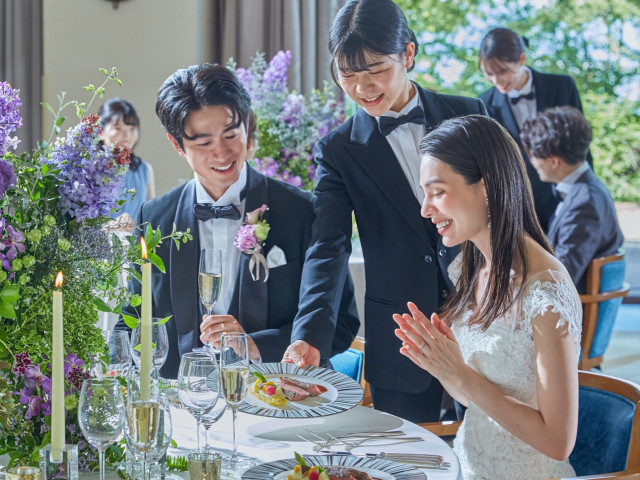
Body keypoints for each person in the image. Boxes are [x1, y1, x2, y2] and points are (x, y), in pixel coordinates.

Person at [282, 0, 487, 423]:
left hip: (483, 318)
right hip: (401, 336)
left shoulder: (470, 114)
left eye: (375, 69)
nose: (362, 87)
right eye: (347, 74)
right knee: (407, 460)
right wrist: (308, 336)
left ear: (408, 54)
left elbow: (508, 210)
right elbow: (328, 246)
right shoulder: (338, 150)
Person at [115, 64, 359, 379]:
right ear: (178, 145)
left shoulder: (304, 212)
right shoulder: (155, 218)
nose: (223, 153)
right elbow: (133, 318)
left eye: (231, 134)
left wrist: (255, 346)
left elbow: (342, 323)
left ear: (246, 126)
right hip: (187, 404)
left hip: (280, 398)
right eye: (203, 143)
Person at [394, 115, 581, 479]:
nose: (425, 209)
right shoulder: (474, 270)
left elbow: (559, 441)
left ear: (487, 187)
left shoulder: (544, 293)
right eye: (424, 193)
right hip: (466, 467)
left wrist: (462, 376)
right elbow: (473, 399)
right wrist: (442, 366)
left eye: (438, 192)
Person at [478, 27, 591, 232]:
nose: (497, 81)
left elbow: (581, 144)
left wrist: (587, 190)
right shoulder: (484, 104)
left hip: (569, 197)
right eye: (489, 74)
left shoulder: (562, 86)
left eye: (502, 71)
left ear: (521, 59)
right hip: (521, 208)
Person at [521, 106, 624, 293]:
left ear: (554, 161)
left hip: (573, 309)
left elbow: (563, 274)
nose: (532, 163)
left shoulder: (585, 203)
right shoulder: (589, 189)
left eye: (534, 156)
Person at [98, 98, 156, 223]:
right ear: (100, 132)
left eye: (132, 128)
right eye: (118, 128)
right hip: (95, 242)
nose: (127, 136)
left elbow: (152, 220)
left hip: (134, 241)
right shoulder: (89, 169)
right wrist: (112, 226)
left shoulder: (144, 169)